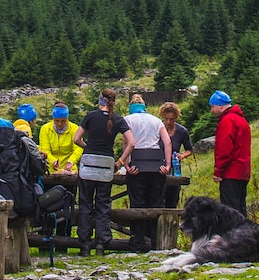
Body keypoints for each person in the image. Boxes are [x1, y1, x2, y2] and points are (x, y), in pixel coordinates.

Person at [73, 88, 134, 255]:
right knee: (103, 204)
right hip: (107, 164)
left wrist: (89, 148)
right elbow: (131, 143)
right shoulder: (118, 119)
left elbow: (76, 139)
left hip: (88, 164)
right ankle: (101, 243)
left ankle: (84, 245)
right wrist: (120, 161)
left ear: (100, 100)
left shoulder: (90, 116)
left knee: (85, 203)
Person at [120, 94, 171, 252]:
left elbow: (127, 142)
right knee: (156, 203)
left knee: (137, 203)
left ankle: (138, 242)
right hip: (156, 164)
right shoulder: (156, 120)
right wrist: (167, 164)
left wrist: (127, 164)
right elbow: (167, 141)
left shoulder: (127, 120)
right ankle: (156, 242)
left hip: (137, 163)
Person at [38, 103, 81, 237]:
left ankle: (64, 238)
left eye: (63, 121)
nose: (60, 124)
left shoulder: (75, 129)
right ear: (53, 119)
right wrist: (52, 161)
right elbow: (44, 149)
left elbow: (78, 148)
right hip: (51, 171)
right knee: (47, 206)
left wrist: (71, 161)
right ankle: (46, 238)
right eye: (57, 121)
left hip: (69, 172)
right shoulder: (45, 129)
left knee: (67, 206)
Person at [210, 90, 251, 216]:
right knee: (240, 209)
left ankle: (233, 235)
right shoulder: (241, 120)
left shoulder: (227, 121)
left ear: (220, 106)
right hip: (243, 171)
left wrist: (218, 172)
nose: (211, 110)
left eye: (212, 106)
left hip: (231, 172)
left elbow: (224, 149)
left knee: (230, 212)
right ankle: (245, 234)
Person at [158, 101, 193, 207]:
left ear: (176, 117)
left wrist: (181, 155)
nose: (168, 122)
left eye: (172, 119)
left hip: (174, 170)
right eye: (166, 119)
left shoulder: (182, 131)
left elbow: (189, 150)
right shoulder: (157, 129)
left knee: (172, 199)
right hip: (158, 169)